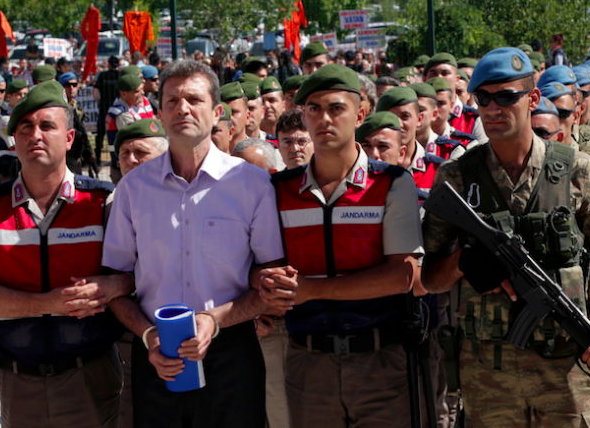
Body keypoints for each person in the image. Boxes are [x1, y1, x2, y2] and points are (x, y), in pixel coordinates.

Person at [421, 47, 590, 427]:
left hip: (566, 370)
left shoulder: (577, 169)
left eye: (506, 97)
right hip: (488, 375)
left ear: (532, 98)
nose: (493, 108)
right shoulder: (457, 179)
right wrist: (464, 262)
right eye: (484, 98)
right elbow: (429, 277)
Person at [103, 59, 285, 428]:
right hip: (157, 355)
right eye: (171, 101)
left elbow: (269, 282)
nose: (182, 108)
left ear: (218, 112)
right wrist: (149, 335)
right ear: (160, 112)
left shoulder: (252, 185)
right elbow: (115, 285)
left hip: (231, 355)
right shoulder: (133, 190)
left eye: (193, 100)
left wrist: (214, 321)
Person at [255, 64, 426, 428]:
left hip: (381, 362)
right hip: (307, 362)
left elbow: (403, 275)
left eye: (336, 108)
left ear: (360, 113)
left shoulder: (392, 183)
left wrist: (313, 289)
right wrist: (264, 286)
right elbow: (260, 266)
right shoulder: (278, 190)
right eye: (313, 109)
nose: (324, 119)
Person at [0, 80, 131, 427]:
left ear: (69, 138)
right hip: (19, 381)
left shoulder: (102, 200)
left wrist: (112, 287)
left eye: (47, 126)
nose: (35, 135)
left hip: (92, 374)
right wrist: (48, 304)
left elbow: (138, 275)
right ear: (14, 140)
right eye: (25, 128)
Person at [106, 74, 154, 182]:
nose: (142, 94)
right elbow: (136, 140)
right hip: (126, 167)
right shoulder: (122, 113)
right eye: (137, 91)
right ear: (123, 93)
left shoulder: (129, 108)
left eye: (142, 90)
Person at [410, 82, 465, 161]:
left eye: (420, 110)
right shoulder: (391, 149)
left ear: (434, 114)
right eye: (406, 114)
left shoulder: (451, 151)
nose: (414, 116)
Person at [60, 72, 96, 177]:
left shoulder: (76, 107)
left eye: (74, 85)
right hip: (65, 152)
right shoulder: (60, 107)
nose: (71, 88)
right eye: (67, 85)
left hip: (76, 152)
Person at [220, 82, 250, 152]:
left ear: (247, 116)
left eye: (233, 112)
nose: (229, 118)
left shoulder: (257, 154)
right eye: (223, 113)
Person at [260, 77, 285, 141]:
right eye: (262, 102)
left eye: (272, 100)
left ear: (283, 105)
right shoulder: (250, 140)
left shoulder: (292, 137)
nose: (267, 105)